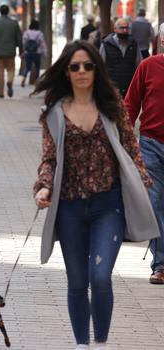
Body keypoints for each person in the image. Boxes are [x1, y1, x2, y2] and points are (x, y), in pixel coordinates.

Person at [32, 40, 158, 350]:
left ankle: (100, 343)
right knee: (77, 282)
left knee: (100, 276)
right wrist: (44, 186)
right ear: (66, 72)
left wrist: (141, 179)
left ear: (96, 69)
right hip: (70, 208)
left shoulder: (111, 104)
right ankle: (82, 345)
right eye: (75, 66)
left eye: (88, 65)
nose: (82, 71)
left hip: (108, 206)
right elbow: (49, 159)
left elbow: (130, 146)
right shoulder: (55, 112)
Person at [125, 23, 164, 285]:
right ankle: (160, 264)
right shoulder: (148, 66)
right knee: (156, 204)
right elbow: (131, 103)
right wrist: (124, 141)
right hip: (151, 144)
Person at [100, 18, 142, 98]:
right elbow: (101, 65)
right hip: (112, 85)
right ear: (115, 29)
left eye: (127, 28)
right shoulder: (106, 44)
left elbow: (139, 64)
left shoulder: (133, 44)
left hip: (129, 85)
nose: (125, 30)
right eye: (122, 28)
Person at [0, 4, 22, 98]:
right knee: (11, 69)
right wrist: (21, 50)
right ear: (8, 11)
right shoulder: (14, 23)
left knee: (0, 72)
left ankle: (1, 92)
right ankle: (10, 82)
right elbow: (19, 38)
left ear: (0, 11)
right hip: (10, 51)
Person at [21, 20, 47, 87]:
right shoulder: (39, 33)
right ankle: (36, 81)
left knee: (27, 66)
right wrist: (45, 52)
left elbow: (24, 42)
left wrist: (24, 51)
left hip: (28, 52)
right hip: (37, 52)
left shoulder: (27, 32)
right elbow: (42, 43)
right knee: (37, 67)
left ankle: (24, 78)